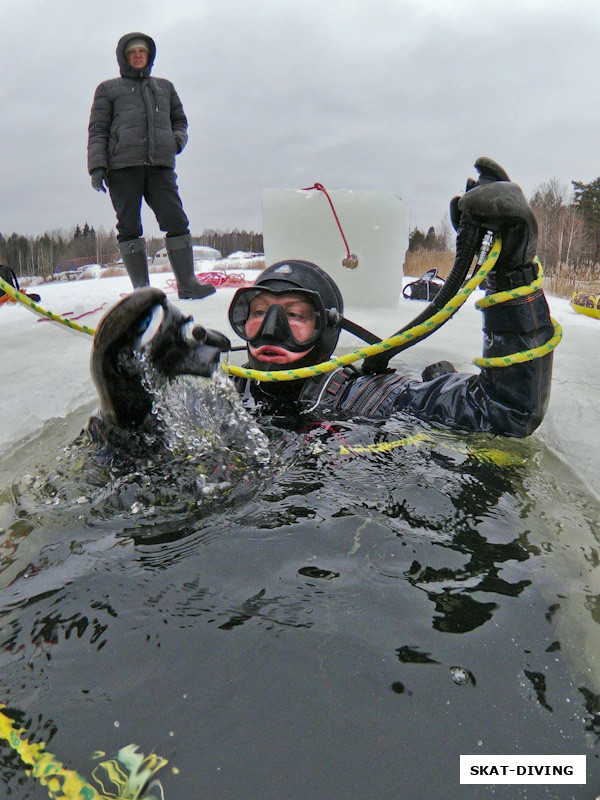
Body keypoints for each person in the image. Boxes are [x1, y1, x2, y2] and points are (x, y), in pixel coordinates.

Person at [88, 158, 555, 442]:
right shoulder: (221, 397)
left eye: (294, 316)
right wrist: (128, 414)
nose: (270, 331)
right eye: (256, 314)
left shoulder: (365, 395)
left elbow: (505, 412)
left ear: (327, 329)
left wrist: (512, 279)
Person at [87, 32, 214, 300]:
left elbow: (180, 121)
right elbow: (98, 130)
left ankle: (188, 283)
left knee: (177, 221)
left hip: (160, 167)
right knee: (129, 227)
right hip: (122, 168)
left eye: (141, 51)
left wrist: (174, 142)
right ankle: (143, 293)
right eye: (131, 51)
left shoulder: (165, 87)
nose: (137, 55)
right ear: (124, 57)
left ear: (149, 55)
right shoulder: (108, 90)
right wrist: (97, 167)